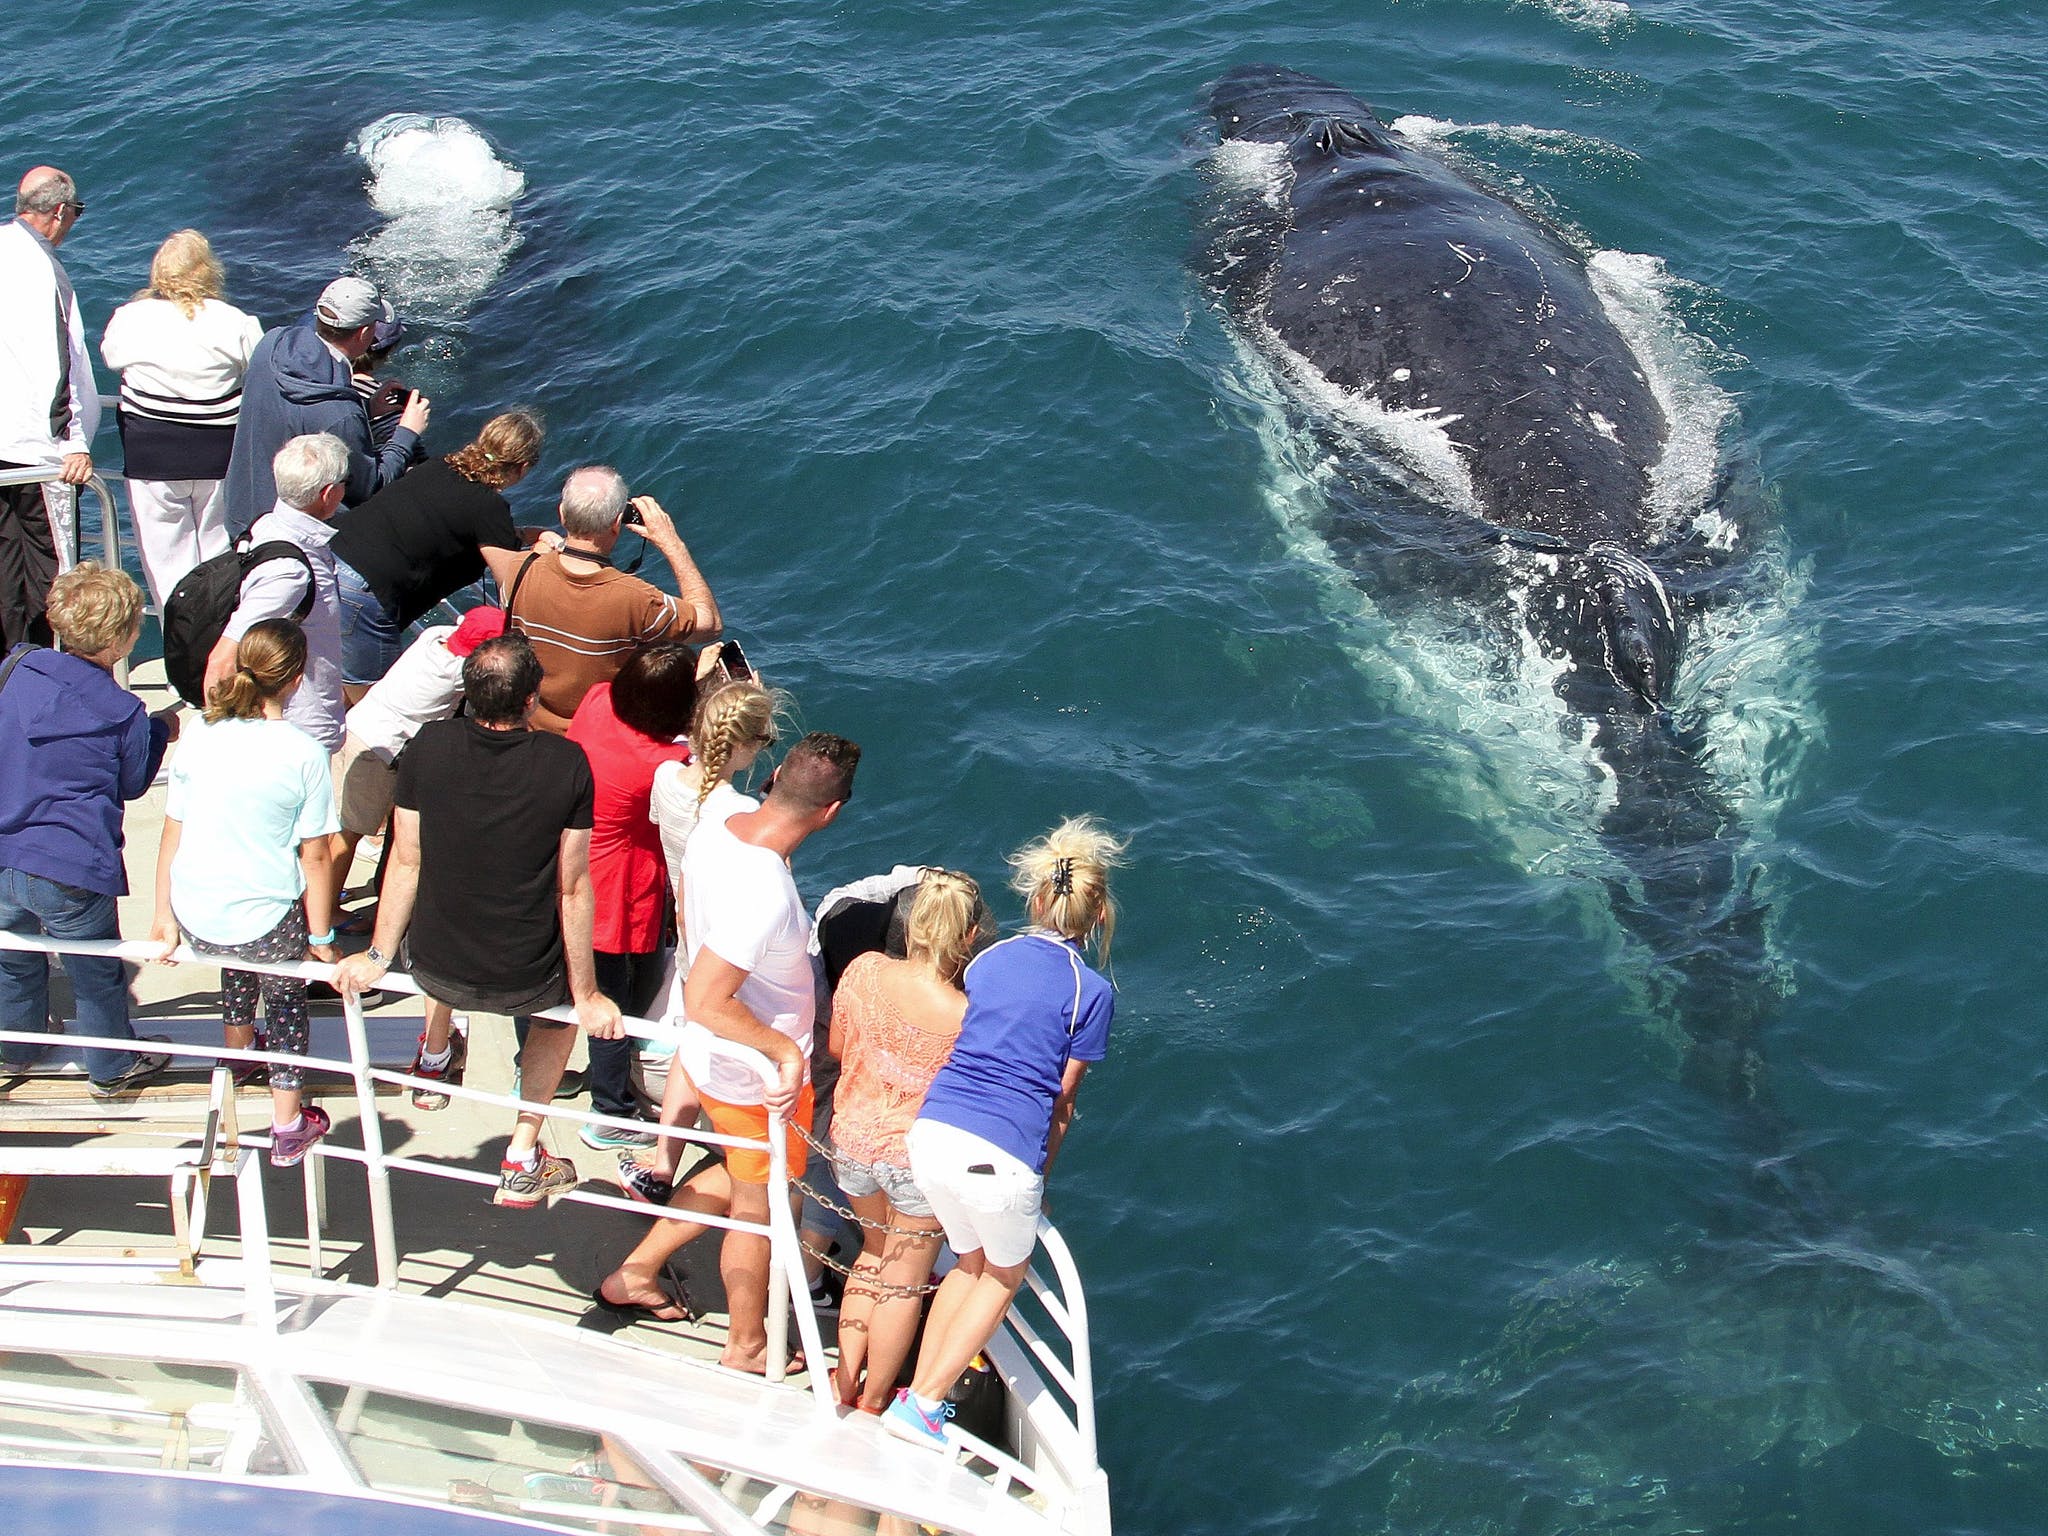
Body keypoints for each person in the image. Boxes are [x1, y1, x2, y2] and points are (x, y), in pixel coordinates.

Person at [594, 732, 861, 1376]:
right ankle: (746, 1345)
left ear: (773, 781)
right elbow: (712, 996)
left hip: (711, 1058)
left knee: (742, 1177)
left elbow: (691, 935)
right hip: (753, 1076)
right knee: (758, 1211)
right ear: (832, 812)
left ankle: (635, 1273)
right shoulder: (764, 890)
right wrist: (784, 1054)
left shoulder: (717, 826)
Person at [333, 631, 623, 1206]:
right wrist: (587, 994)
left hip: (433, 964)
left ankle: (436, 1051)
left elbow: (407, 859)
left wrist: (375, 957)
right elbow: (571, 887)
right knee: (559, 1017)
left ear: (468, 693)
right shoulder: (566, 764)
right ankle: (522, 1153)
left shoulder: (426, 746)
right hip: (524, 975)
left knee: (445, 898)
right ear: (531, 699)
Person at [884, 817, 1126, 1450]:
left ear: (1036, 899)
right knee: (1002, 1277)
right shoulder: (1090, 989)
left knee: (967, 1264)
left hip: (933, 1131)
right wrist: (1039, 1176)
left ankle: (916, 1394)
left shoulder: (990, 957)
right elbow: (1061, 1098)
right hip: (1000, 1154)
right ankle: (927, 1404)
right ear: (1097, 914)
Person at [148, 618, 341, 1166]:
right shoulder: (303, 753)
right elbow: (316, 855)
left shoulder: (201, 734)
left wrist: (163, 915)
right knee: (284, 1000)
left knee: (241, 950)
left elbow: (172, 831)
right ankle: (287, 1125)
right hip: (260, 924)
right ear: (297, 679)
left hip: (197, 914)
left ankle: (237, 1050)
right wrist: (323, 936)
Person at [0, 564, 173, 1096]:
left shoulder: (17, 668)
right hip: (74, 864)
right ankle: (111, 1067)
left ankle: (17, 1049)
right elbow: (131, 783)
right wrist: (161, 731)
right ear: (122, 643)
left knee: (13, 958)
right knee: (96, 972)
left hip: (5, 849)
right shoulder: (124, 712)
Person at [619, 676, 781, 1202]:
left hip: (689, 943)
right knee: (742, 1058)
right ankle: (743, 1162)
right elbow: (771, 876)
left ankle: (663, 1163)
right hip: (730, 954)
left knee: (693, 1047)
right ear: (748, 747)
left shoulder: (667, 777)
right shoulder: (743, 815)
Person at [828, 869, 981, 1414]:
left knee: (871, 1255)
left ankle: (843, 1383)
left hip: (850, 1140)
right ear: (967, 937)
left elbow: (837, 1046)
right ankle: (873, 1401)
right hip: (914, 1160)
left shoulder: (864, 970)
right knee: (903, 1282)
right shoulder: (967, 1015)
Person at [565, 642, 698, 1149]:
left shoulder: (598, 701)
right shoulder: (664, 762)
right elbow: (704, 767)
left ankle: (546, 1074)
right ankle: (611, 1110)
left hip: (574, 868)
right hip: (620, 891)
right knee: (614, 1003)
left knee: (594, 990)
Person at [97, 229, 265, 607]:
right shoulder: (235, 321)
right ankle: (218, 643)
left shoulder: (131, 317)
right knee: (218, 553)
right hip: (218, 457)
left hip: (152, 458)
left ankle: (181, 644)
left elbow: (110, 357)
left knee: (167, 562)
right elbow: (258, 368)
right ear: (208, 271)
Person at [328, 409, 546, 687]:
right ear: (523, 467)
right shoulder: (489, 506)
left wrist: (524, 536)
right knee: (371, 701)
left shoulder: (438, 466)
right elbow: (510, 582)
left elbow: (451, 524)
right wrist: (542, 554)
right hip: (366, 589)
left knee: (330, 680)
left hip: (331, 559)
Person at [504, 466, 720, 732]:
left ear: (562, 514)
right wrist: (670, 541)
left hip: (528, 725)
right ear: (617, 524)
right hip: (592, 739)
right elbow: (709, 625)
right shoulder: (635, 599)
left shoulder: (520, 569)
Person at [222, 276, 429, 539]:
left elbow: (294, 415)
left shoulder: (270, 344)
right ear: (365, 333)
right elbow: (370, 486)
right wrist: (407, 432)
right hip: (288, 537)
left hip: (241, 512)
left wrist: (367, 409)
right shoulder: (342, 413)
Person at [333, 604, 507, 881]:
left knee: (338, 826)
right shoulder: (457, 673)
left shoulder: (432, 637)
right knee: (347, 836)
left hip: (357, 727)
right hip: (377, 750)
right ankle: (327, 911)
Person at [202, 433, 351, 751]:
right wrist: (216, 745)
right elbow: (222, 660)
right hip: (295, 730)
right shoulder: (290, 572)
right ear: (328, 494)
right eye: (344, 480)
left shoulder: (268, 526)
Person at [0, 167, 98, 649]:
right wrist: (73, 442)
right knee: (53, 575)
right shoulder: (43, 270)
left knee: (5, 576)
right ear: (59, 212)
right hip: (37, 452)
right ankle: (50, 674)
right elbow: (61, 363)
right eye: (76, 212)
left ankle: (12, 678)